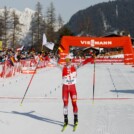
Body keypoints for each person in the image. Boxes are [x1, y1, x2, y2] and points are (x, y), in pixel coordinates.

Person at [62, 54, 78, 127]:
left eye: (68, 60)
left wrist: (92, 58)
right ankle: (66, 120)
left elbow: (84, 63)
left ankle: (75, 119)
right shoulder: (63, 67)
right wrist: (45, 57)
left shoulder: (75, 67)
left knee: (74, 103)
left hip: (72, 88)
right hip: (65, 88)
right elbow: (53, 63)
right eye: (66, 60)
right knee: (65, 104)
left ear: (71, 60)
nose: (67, 62)